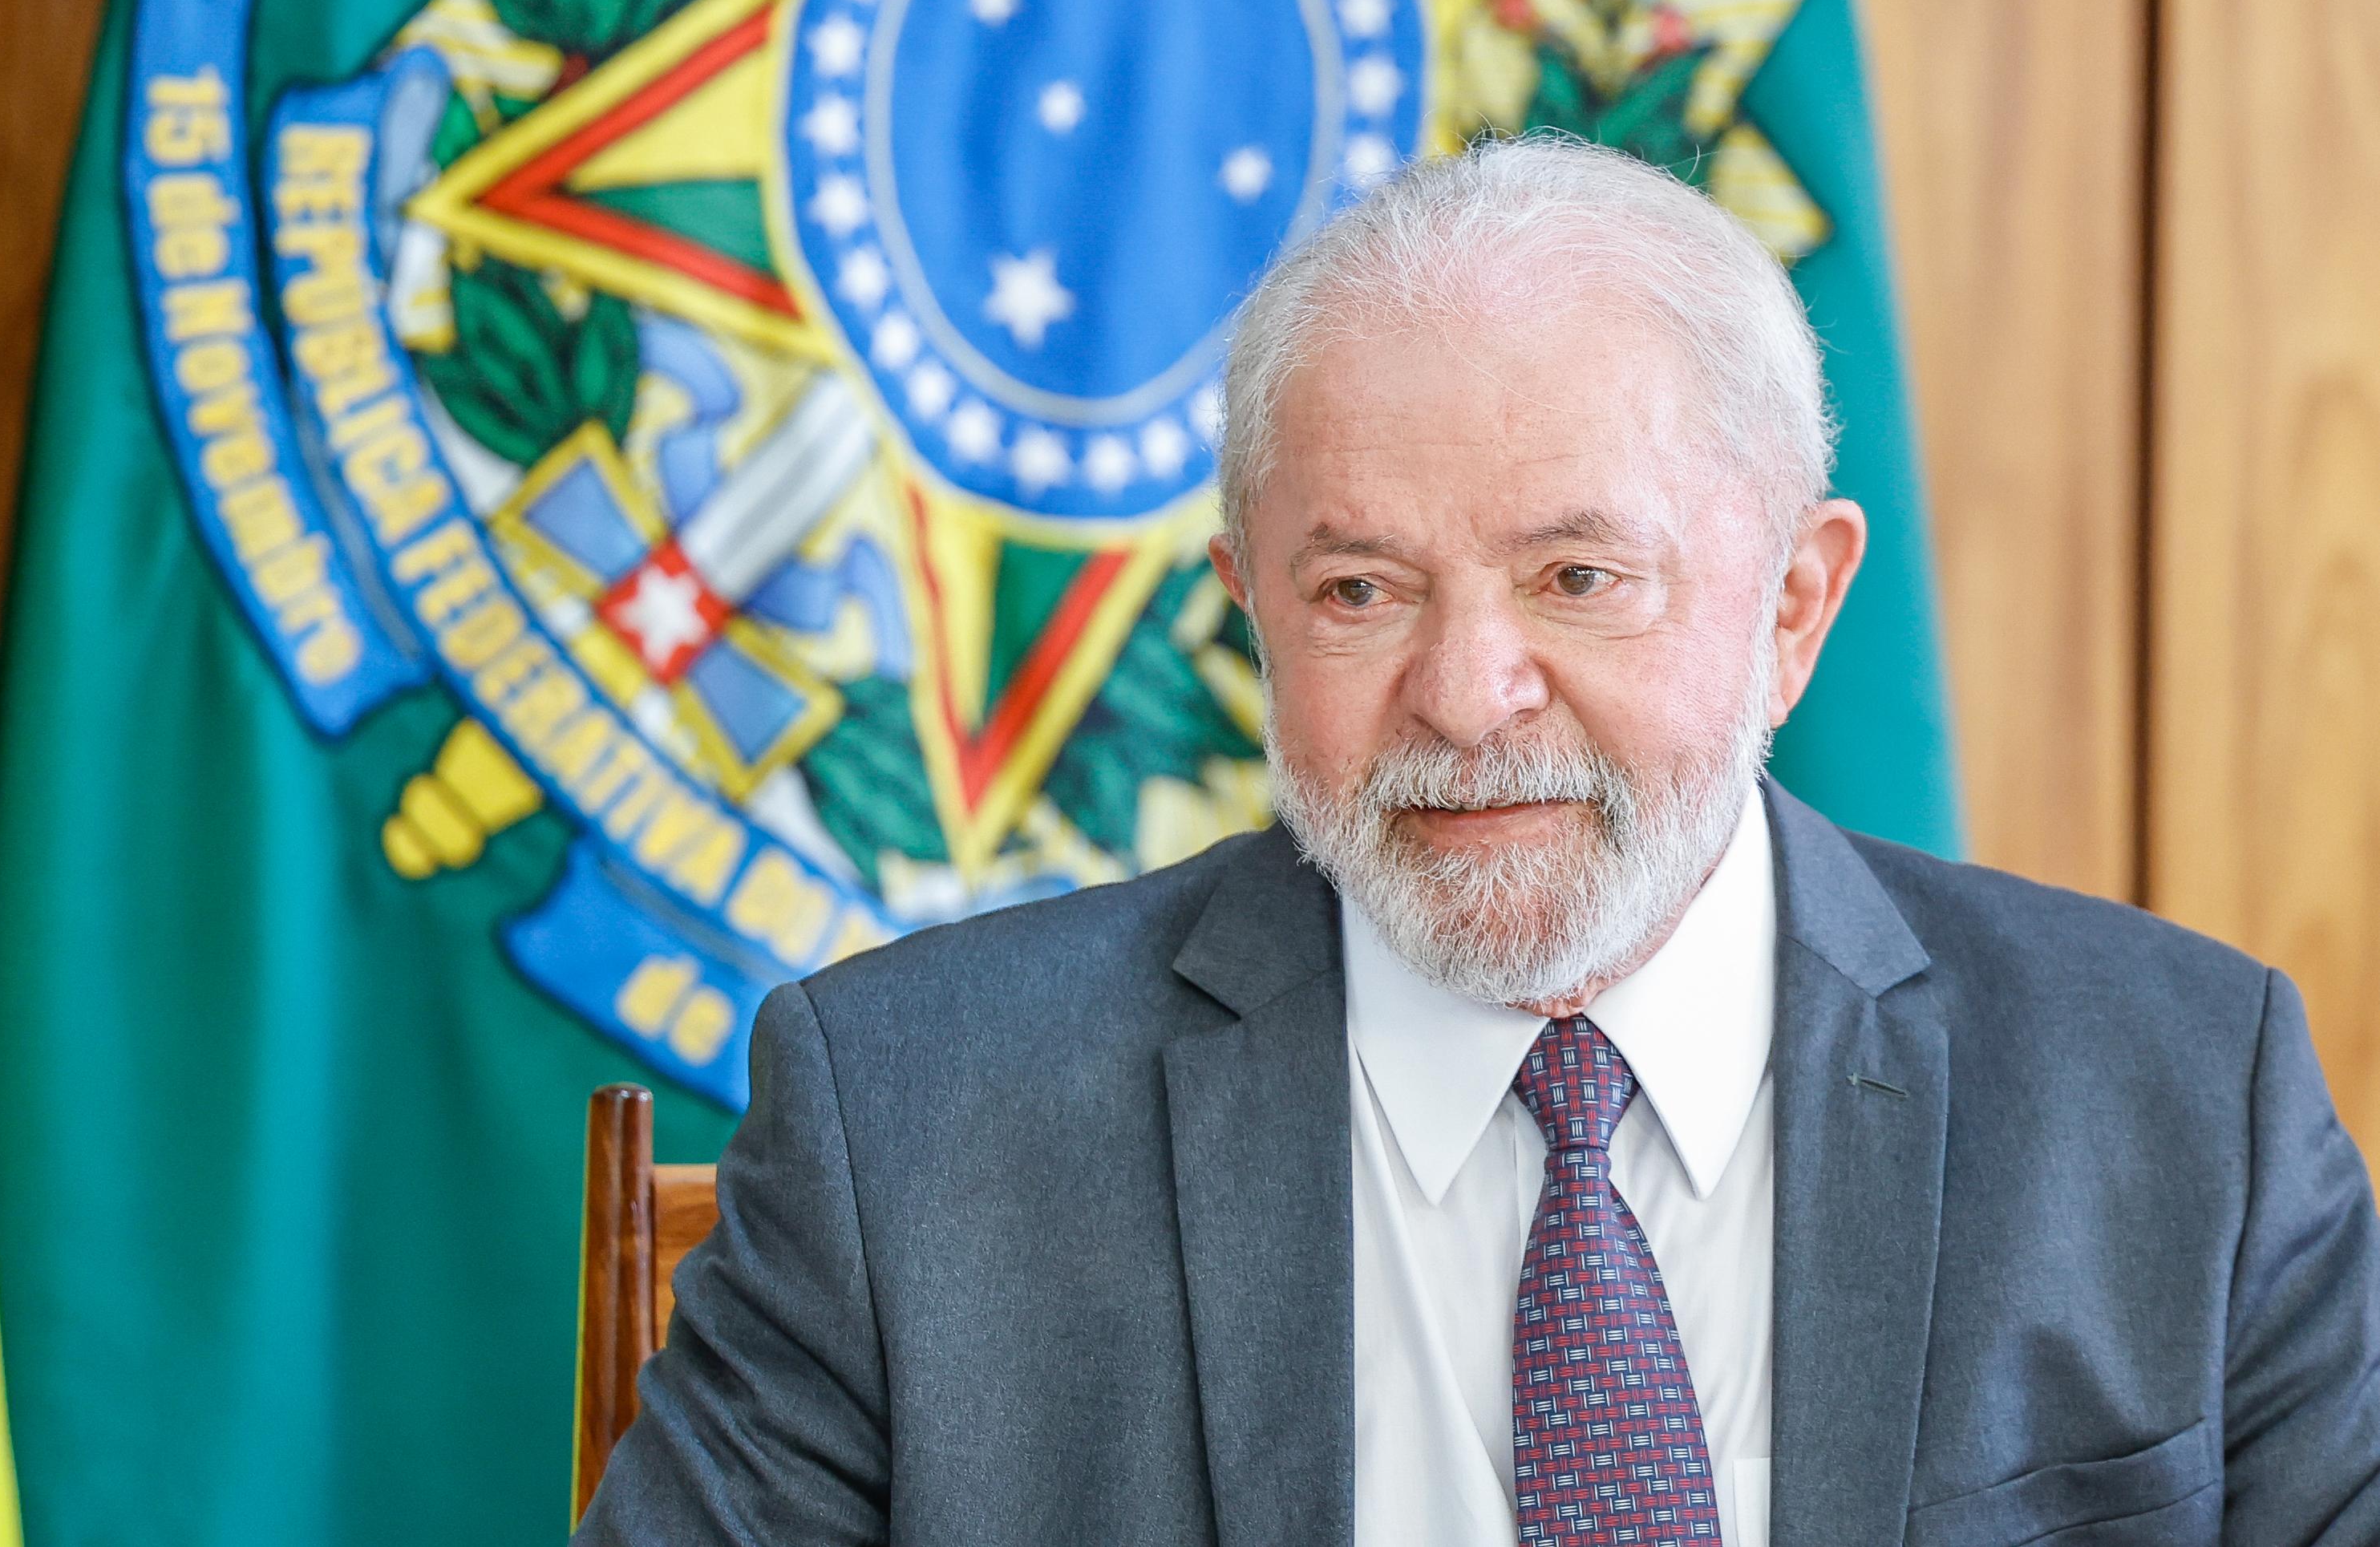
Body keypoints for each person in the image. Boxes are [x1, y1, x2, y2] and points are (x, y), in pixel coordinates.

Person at [573, 134, 2380, 1545]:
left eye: (1576, 576)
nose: (1464, 694)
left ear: (1794, 607)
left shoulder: (2180, 1100)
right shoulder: (909, 1125)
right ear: (1250, 608)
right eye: (1359, 590)